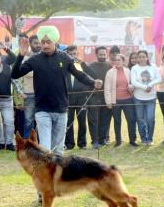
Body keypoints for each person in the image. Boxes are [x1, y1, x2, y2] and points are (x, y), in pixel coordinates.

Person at [11, 25, 101, 156]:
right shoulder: (35, 59)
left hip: (61, 109)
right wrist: (20, 55)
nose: (45, 45)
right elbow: (15, 74)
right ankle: (46, 174)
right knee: (46, 148)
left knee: (58, 150)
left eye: (48, 42)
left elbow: (79, 74)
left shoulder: (65, 58)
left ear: (56, 42)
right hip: (42, 110)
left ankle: (57, 174)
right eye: (43, 42)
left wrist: (93, 82)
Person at [104, 53, 137, 147]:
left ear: (123, 61)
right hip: (116, 101)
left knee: (131, 120)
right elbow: (107, 89)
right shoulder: (110, 72)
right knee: (117, 121)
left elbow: (132, 84)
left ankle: (132, 140)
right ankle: (118, 140)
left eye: (119, 60)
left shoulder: (128, 71)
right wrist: (108, 102)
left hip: (128, 99)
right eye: (116, 60)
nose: (117, 62)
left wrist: (131, 87)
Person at [130, 50, 161, 145]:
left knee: (150, 119)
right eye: (140, 57)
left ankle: (150, 139)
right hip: (138, 98)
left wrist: (150, 85)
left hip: (151, 98)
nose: (142, 58)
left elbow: (159, 78)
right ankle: (143, 139)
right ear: (138, 58)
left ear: (147, 57)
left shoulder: (153, 66)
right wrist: (144, 87)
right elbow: (133, 81)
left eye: (144, 56)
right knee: (140, 119)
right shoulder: (134, 68)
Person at [64, 45, 92, 150]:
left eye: (74, 54)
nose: (73, 56)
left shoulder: (82, 65)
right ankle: (69, 144)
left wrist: (83, 63)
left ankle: (82, 144)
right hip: (68, 97)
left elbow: (91, 75)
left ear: (78, 54)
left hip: (81, 97)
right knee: (69, 121)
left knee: (82, 121)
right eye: (70, 54)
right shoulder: (65, 65)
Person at [87, 46, 112, 149]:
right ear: (96, 55)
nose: (103, 56)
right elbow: (87, 80)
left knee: (105, 119)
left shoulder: (109, 66)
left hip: (106, 97)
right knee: (93, 119)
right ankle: (95, 141)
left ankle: (103, 139)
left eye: (104, 54)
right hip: (93, 97)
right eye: (100, 54)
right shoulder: (91, 66)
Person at [21, 35, 41, 139]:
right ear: (30, 44)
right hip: (29, 93)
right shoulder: (25, 58)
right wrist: (41, 71)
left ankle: (41, 141)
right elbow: (26, 73)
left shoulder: (45, 57)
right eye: (35, 43)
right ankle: (27, 142)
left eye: (39, 43)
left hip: (42, 94)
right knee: (28, 119)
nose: (38, 45)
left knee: (42, 120)